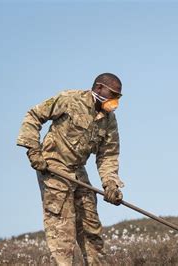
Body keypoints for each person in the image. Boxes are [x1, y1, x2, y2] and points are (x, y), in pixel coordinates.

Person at [16, 73, 125, 265]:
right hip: (53, 166)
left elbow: (108, 154)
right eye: (113, 95)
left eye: (119, 97)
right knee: (62, 230)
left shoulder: (109, 120)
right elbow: (33, 116)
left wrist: (110, 184)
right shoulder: (69, 99)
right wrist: (33, 150)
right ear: (99, 89)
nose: (115, 101)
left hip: (77, 170)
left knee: (91, 227)